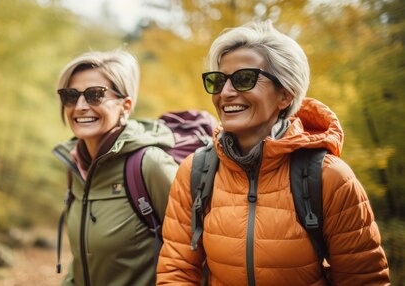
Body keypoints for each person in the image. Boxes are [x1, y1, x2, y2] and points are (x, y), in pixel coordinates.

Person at [157, 21, 390, 285]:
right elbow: (176, 271)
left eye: (244, 79)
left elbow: (364, 280)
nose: (226, 92)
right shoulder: (195, 171)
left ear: (285, 96)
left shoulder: (330, 177)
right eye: (219, 80)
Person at [52, 49, 179, 286]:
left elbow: (193, 252)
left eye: (95, 95)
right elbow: (82, 261)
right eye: (70, 95)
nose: (79, 106)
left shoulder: (150, 165)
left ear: (126, 106)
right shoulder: (76, 168)